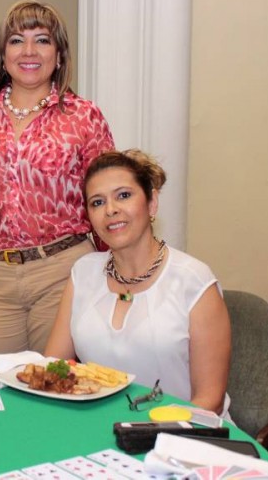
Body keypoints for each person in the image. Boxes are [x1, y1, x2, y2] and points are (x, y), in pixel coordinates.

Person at [0, 0, 115, 355]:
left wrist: (121, 262)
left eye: (42, 40)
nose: (29, 51)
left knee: (54, 386)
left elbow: (105, 198)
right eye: (17, 40)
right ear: (2, 56)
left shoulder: (84, 116)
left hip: (63, 271)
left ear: (59, 55)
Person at [45, 149, 231, 416]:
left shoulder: (194, 281)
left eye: (123, 195)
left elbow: (209, 401)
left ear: (152, 203)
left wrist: (140, 434)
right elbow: (54, 368)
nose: (111, 210)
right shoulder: (83, 272)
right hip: (99, 429)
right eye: (97, 203)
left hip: (183, 434)